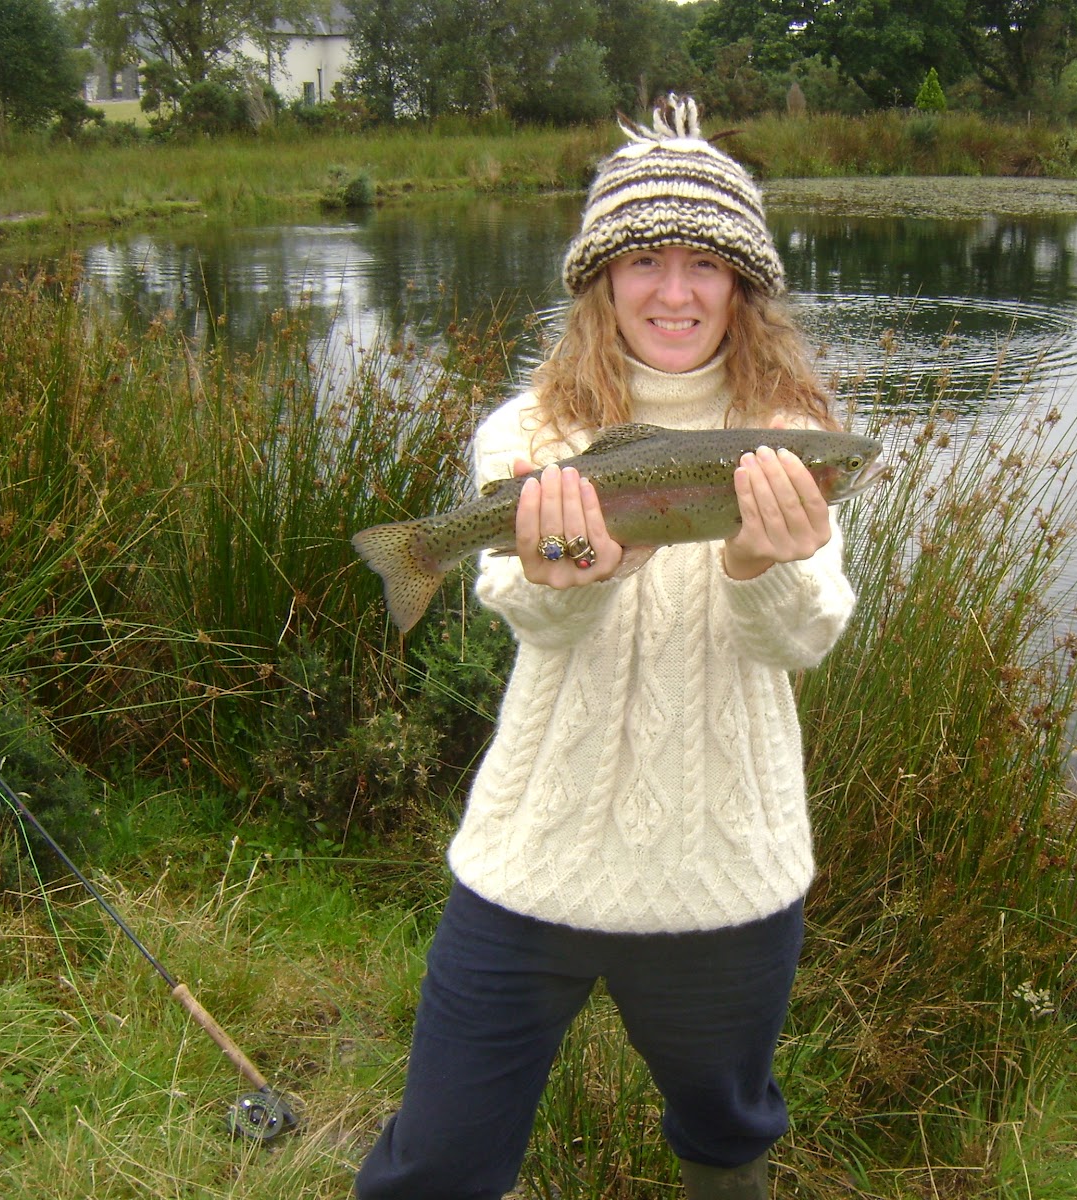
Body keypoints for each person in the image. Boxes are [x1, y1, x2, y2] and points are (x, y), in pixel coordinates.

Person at [355, 95, 858, 1200]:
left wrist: (753, 563)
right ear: (599, 280)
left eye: (704, 266)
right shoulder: (529, 430)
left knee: (727, 1135)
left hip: (725, 863)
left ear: (744, 286)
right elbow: (524, 614)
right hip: (533, 854)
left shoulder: (791, 430)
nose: (674, 292)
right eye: (644, 261)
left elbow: (810, 636)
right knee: (434, 1162)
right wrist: (564, 581)